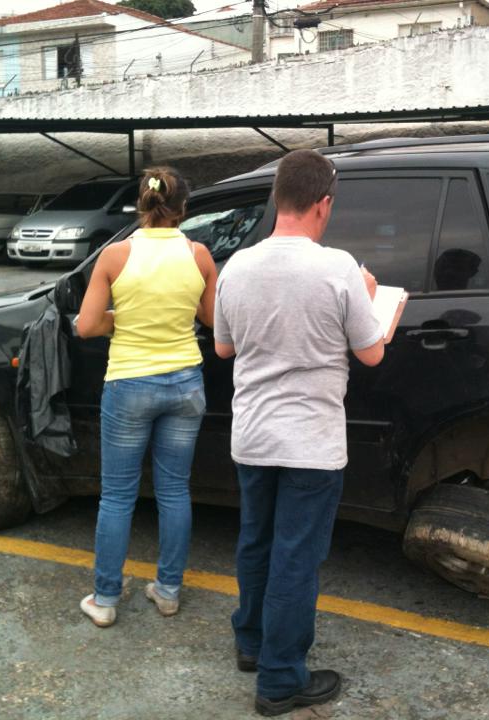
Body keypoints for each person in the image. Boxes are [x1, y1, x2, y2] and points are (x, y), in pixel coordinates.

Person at [213, 149, 386, 716]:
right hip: (310, 442)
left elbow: (223, 346)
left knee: (256, 543)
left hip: (254, 435)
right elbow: (372, 353)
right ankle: (281, 680)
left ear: (276, 198)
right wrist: (367, 293)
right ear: (324, 203)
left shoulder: (237, 265)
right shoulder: (338, 268)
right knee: (295, 558)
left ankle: (252, 644)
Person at [76, 167, 218, 628]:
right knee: (175, 490)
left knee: (117, 496)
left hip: (130, 383)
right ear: (183, 209)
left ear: (141, 205)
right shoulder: (200, 256)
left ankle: (105, 598)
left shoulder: (115, 256)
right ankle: (169, 590)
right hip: (185, 384)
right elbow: (212, 320)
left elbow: (86, 325)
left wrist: (125, 317)